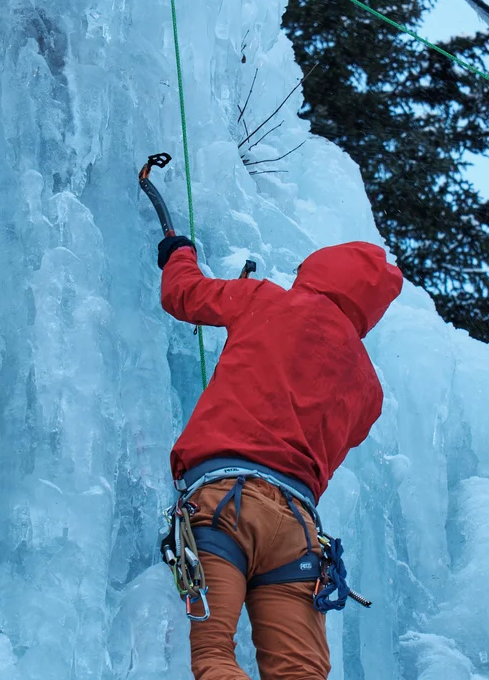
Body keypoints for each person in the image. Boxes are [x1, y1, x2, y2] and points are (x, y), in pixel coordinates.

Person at [157, 234, 403, 679]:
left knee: (215, 654)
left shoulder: (264, 299)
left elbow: (182, 294)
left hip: (224, 505)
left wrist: (179, 253)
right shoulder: (370, 389)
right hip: (298, 534)